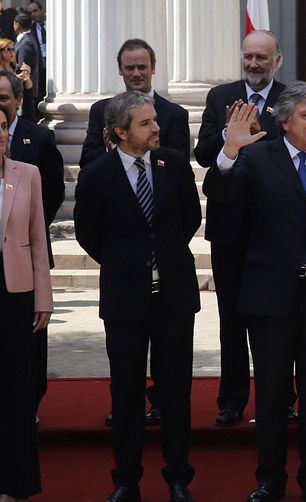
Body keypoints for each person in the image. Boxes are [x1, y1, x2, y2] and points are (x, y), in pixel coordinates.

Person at [203, 82, 306, 502]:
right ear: (285, 121)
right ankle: (269, 480)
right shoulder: (256, 158)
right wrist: (227, 155)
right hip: (270, 297)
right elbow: (223, 213)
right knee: (272, 396)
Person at [73, 92, 201, 502]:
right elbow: (88, 234)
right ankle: (126, 480)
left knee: (176, 391)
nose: (156, 128)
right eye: (145, 124)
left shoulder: (174, 166)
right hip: (125, 300)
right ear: (120, 132)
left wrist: (159, 259)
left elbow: (189, 220)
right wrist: (129, 264)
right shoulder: (96, 175)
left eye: (155, 120)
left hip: (174, 299)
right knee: (125, 393)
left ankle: (178, 477)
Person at [193, 30, 288, 428]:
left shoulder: (289, 97)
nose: (253, 64)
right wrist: (229, 136)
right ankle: (232, 399)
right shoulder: (220, 97)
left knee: (279, 321)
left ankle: (283, 399)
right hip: (230, 228)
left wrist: (256, 135)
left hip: (276, 228)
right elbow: (202, 154)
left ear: (277, 60)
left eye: (261, 58)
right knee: (231, 319)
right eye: (248, 56)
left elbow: (296, 146)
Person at [0, 71, 64, 420]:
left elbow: (52, 193)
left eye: (3, 98)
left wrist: (23, 228)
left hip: (26, 254)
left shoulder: (38, 138)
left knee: (30, 344)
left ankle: (29, 404)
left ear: (17, 100)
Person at [0, 106, 53, 501]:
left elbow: (38, 240)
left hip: (15, 296)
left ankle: (14, 485)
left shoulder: (27, 174)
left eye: (3, 127)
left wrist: (43, 297)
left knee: (16, 393)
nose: (1, 134)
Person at [81, 39, 191, 168]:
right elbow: (86, 162)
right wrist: (113, 151)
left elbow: (180, 164)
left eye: (142, 67)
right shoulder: (101, 110)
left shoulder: (175, 114)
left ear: (153, 68)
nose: (136, 73)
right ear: (120, 69)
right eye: (130, 68)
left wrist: (132, 148)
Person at [12, 13, 39, 122]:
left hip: (25, 92)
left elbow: (22, 68)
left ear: (17, 24)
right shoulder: (30, 38)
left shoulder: (25, 43)